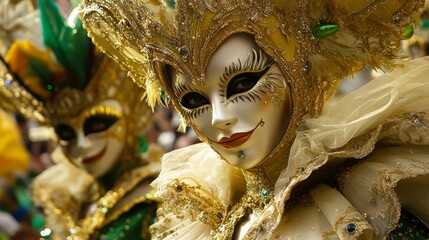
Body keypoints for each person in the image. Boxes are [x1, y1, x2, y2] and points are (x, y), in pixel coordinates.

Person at [80, 0, 429, 239]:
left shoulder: (371, 200)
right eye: (193, 100)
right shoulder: (202, 212)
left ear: (297, 68)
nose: (219, 118)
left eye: (242, 83)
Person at [0, 0, 161, 239]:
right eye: (65, 133)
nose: (82, 145)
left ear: (134, 111)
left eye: (96, 124)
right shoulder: (72, 199)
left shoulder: (161, 198)